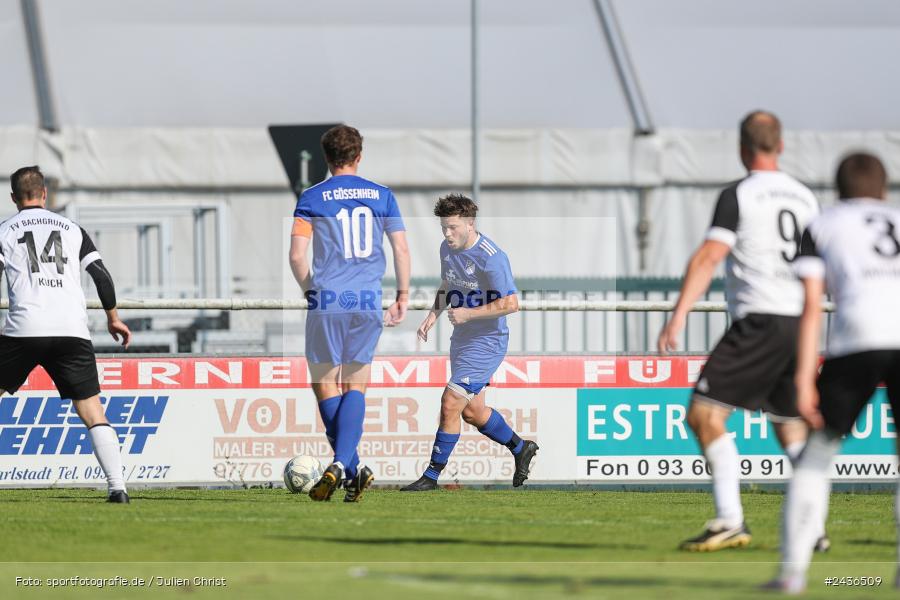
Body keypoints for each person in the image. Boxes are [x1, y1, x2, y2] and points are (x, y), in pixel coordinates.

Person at [657, 111, 823, 551]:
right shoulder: (806, 197)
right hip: (799, 321)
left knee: (704, 414)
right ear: (781, 145)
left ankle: (730, 519)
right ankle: (815, 525)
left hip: (760, 320)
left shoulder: (740, 194)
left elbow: (710, 255)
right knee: (790, 428)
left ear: (742, 149)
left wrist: (678, 314)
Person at [771, 153, 900, 592]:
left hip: (855, 341)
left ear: (839, 187)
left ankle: (793, 574)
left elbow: (811, 307)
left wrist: (805, 377)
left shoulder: (824, 223)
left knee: (816, 457)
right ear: (884, 189)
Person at [289, 125, 410, 502]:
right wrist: (402, 295)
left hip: (329, 299)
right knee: (355, 384)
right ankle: (349, 467)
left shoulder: (312, 197)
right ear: (359, 156)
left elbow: (296, 256)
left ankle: (345, 465)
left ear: (327, 158)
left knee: (325, 384)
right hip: (367, 300)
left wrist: (312, 292)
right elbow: (401, 250)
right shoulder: (382, 196)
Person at [0, 166, 132, 502]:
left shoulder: (5, 230)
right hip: (71, 330)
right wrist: (113, 318)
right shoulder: (73, 229)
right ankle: (118, 487)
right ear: (44, 194)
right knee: (91, 411)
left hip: (24, 329)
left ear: (14, 197)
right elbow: (101, 276)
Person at [401, 194, 538, 491]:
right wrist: (431, 316)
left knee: (450, 402)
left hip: (487, 341)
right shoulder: (446, 249)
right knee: (472, 411)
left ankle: (431, 476)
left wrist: (469, 314)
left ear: (470, 224)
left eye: (452, 228)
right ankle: (520, 447)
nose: (447, 234)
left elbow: (512, 303)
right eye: (443, 228)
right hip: (462, 340)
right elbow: (449, 284)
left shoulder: (491, 256)